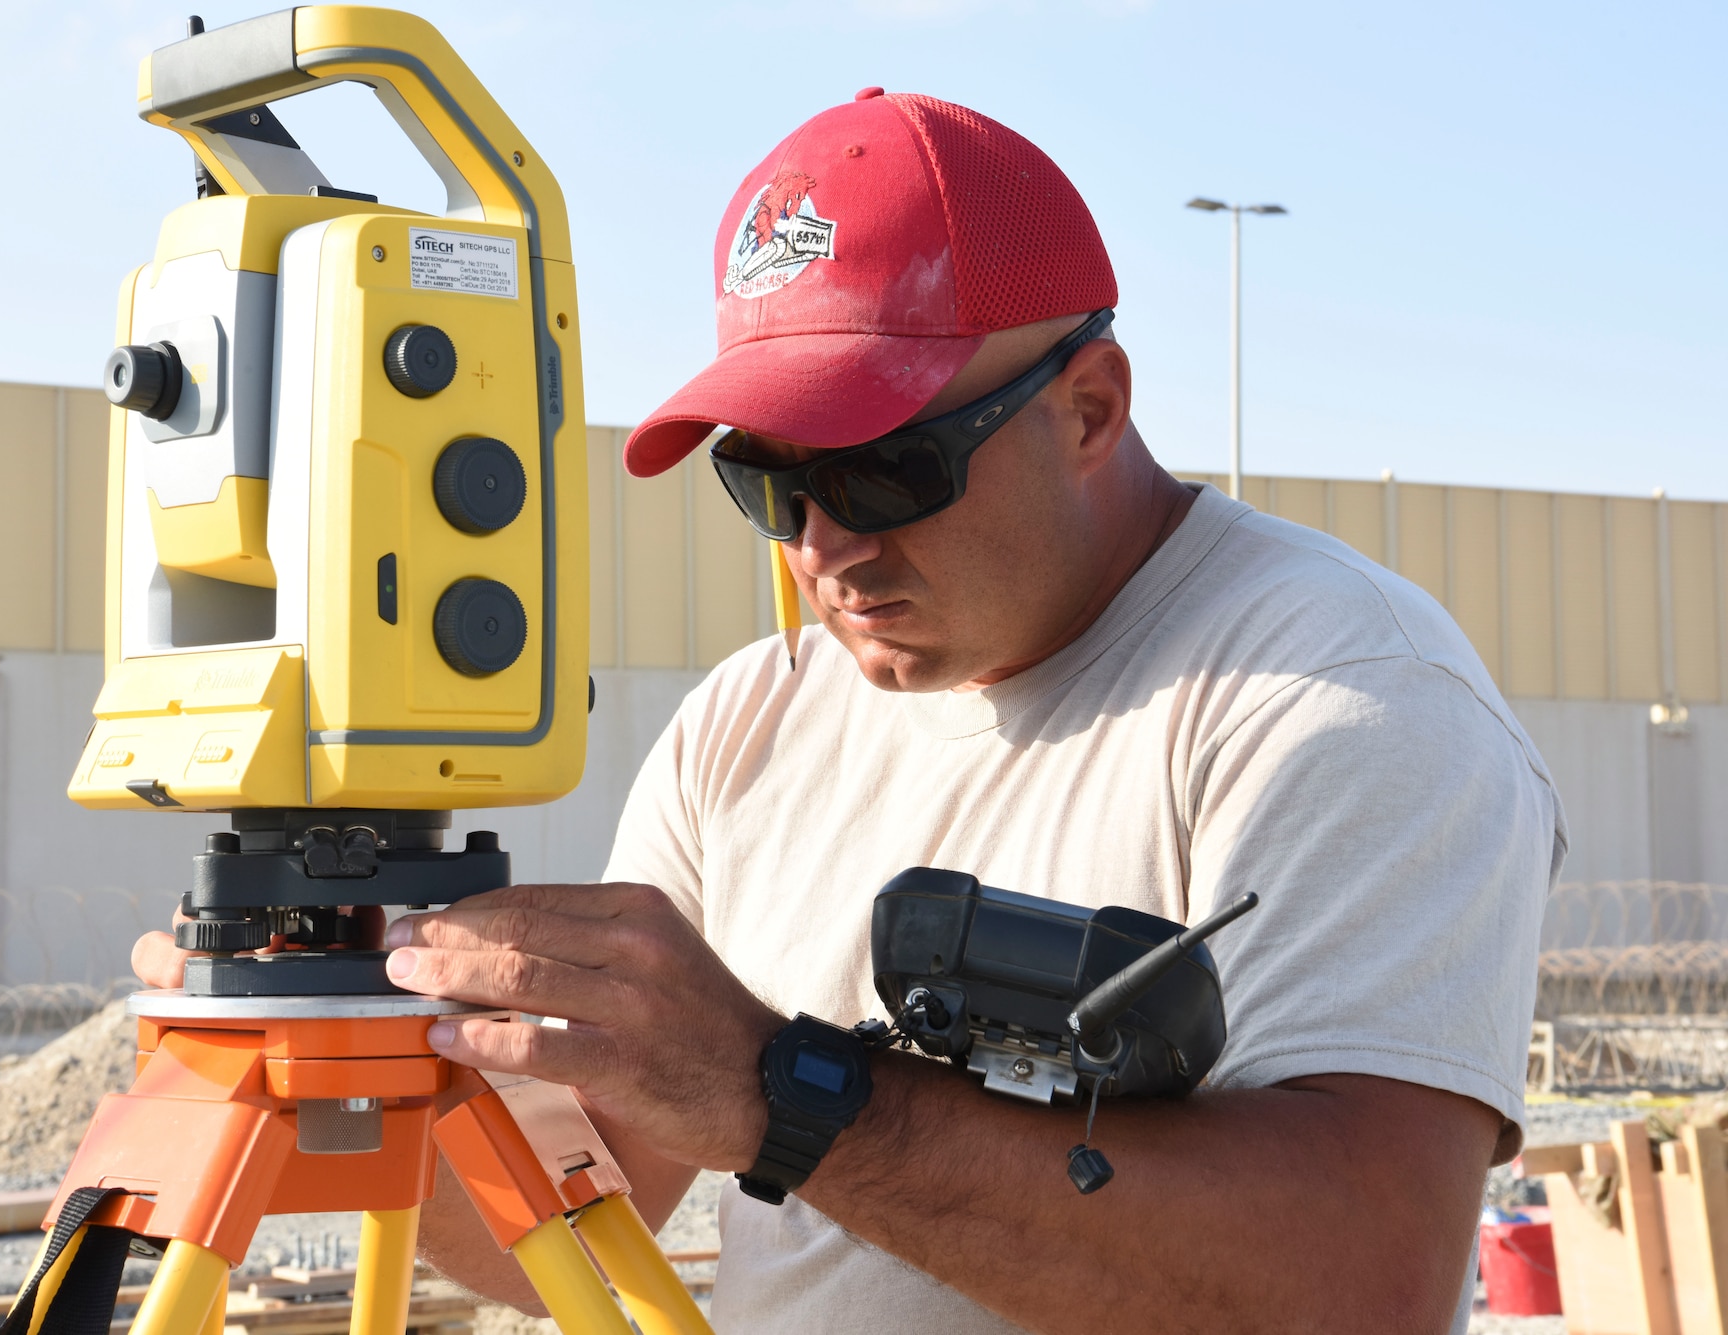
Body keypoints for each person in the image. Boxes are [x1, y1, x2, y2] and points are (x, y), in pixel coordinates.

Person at [137, 89, 1563, 1334]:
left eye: (885, 470)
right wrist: (354, 1057)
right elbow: (585, 1197)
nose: (821, 545)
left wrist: (788, 1094)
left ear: (1089, 407)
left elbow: (1356, 1290)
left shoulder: (1335, 700)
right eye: (765, 479)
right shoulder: (749, 726)